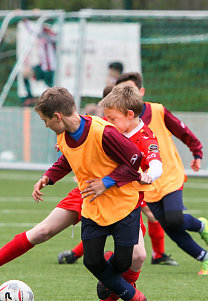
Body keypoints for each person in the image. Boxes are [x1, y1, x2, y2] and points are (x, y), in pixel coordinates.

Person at [0, 87, 150, 301]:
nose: (45, 126)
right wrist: (49, 176)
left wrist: (107, 182)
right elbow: (68, 158)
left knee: (134, 257)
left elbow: (136, 161)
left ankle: (110, 298)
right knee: (46, 233)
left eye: (45, 120)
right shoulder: (64, 134)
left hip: (119, 197)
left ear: (58, 116)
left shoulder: (105, 132)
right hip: (88, 194)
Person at [58, 84, 178, 266]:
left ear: (130, 115)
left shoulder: (145, 137)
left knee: (135, 256)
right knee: (99, 243)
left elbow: (156, 165)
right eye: (107, 117)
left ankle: (119, 285)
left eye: (112, 118)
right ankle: (82, 259)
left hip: (127, 199)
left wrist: (149, 175)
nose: (108, 122)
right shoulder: (111, 128)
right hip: (101, 190)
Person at [115, 72, 208, 275]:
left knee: (174, 219)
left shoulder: (157, 110)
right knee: (171, 228)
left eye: (131, 91)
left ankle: (200, 225)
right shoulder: (119, 123)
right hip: (146, 182)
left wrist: (196, 151)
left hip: (169, 174)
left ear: (141, 92)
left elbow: (182, 130)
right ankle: (207, 259)